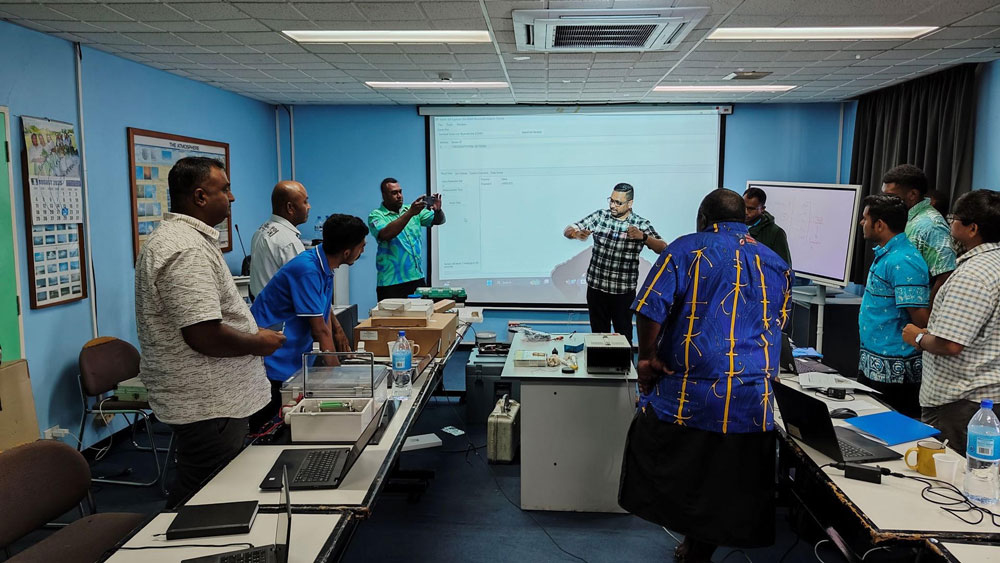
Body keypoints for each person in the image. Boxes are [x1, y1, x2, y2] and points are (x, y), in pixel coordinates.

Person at [619, 189, 793, 563]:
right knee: (724, 481)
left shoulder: (685, 249)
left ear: (703, 218)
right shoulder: (776, 263)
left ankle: (693, 546)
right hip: (751, 403)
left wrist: (647, 358)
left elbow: (649, 307)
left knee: (669, 464)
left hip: (691, 397)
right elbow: (777, 323)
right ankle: (698, 547)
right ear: (744, 219)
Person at [134, 157, 285, 508]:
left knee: (212, 487)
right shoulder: (185, 248)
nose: (232, 198)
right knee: (205, 493)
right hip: (209, 402)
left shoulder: (186, 239)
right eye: (225, 189)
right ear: (200, 197)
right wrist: (259, 342)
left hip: (213, 399)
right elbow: (203, 335)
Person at [249, 214, 367, 431]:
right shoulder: (307, 269)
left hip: (293, 358)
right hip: (273, 359)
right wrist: (338, 379)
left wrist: (336, 356)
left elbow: (324, 315)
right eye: (362, 246)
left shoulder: (324, 266)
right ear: (347, 252)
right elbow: (320, 330)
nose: (363, 250)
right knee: (271, 425)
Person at [903, 190, 1000, 450]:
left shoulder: (973, 275)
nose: (950, 224)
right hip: (985, 397)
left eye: (954, 219)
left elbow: (950, 344)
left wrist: (918, 337)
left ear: (972, 229)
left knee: (947, 472)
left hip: (960, 402)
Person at [563, 183, 666, 344]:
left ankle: (624, 362)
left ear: (630, 203)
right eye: (611, 200)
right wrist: (576, 234)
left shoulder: (640, 224)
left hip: (622, 294)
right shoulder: (600, 217)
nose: (612, 205)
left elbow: (663, 248)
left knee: (623, 339)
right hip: (596, 291)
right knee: (597, 340)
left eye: (618, 202)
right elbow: (568, 230)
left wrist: (644, 237)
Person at [856, 194, 930, 418]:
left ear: (880, 224)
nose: (862, 222)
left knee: (891, 430)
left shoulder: (903, 260)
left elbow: (921, 320)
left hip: (895, 373)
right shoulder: (887, 254)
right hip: (874, 363)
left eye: (865, 218)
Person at [881, 164, 956, 301]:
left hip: (914, 308)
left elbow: (945, 274)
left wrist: (928, 312)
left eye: (891, 196)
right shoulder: (903, 216)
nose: (885, 201)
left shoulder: (931, 225)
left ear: (913, 194)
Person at [368, 178, 445, 301]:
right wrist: (410, 213)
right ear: (384, 195)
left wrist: (438, 211)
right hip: (390, 283)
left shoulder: (413, 210)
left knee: (422, 313)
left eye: (400, 192)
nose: (399, 196)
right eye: (394, 193)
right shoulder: (376, 215)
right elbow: (386, 234)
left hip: (416, 278)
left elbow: (438, 220)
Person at [249, 180, 311, 298]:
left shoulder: (261, 231)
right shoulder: (289, 242)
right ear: (290, 207)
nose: (309, 206)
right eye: (305, 202)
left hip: (261, 305)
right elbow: (303, 288)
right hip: (281, 308)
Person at [744, 187, 792, 266]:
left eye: (751, 209)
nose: (745, 212)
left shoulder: (776, 233)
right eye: (743, 206)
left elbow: (784, 267)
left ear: (762, 209)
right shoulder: (734, 226)